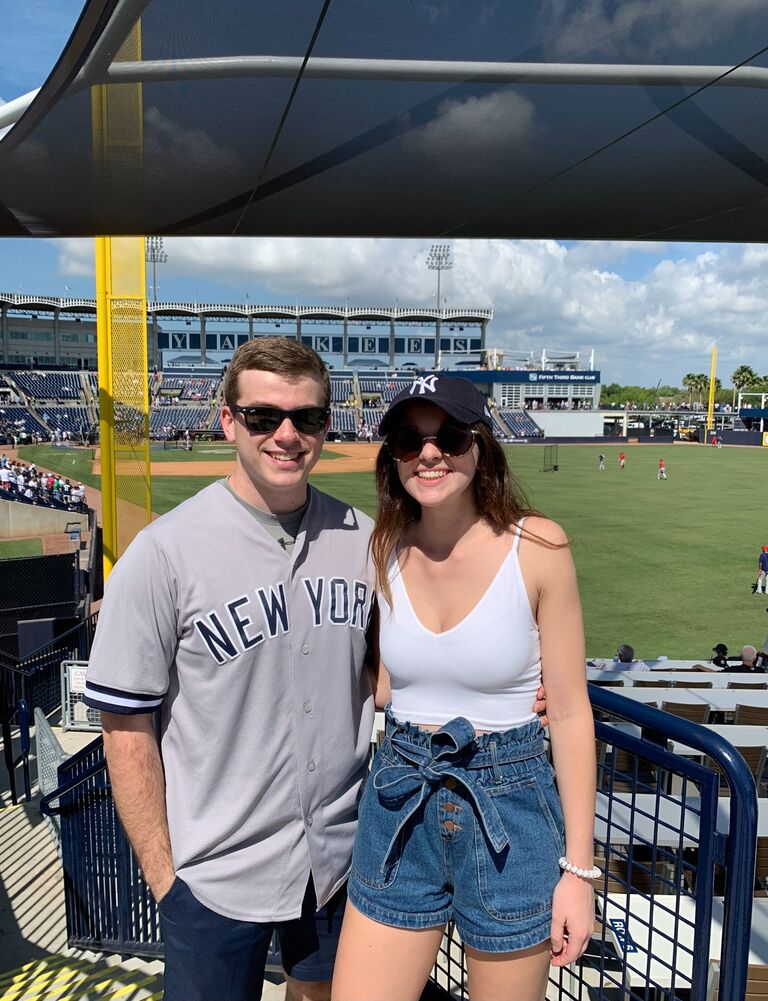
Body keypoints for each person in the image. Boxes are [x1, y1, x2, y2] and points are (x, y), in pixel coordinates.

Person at [82, 342, 547, 1001]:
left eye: (307, 418)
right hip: (214, 874)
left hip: (337, 858)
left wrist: (524, 686)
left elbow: (397, 672)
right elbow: (124, 725)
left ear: (328, 425)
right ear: (226, 420)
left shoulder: (367, 538)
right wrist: (166, 880)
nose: (287, 434)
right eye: (263, 415)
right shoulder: (162, 554)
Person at [332, 377, 596, 1001]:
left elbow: (571, 711)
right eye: (407, 440)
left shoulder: (539, 547)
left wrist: (578, 872)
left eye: (449, 436)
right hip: (399, 797)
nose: (428, 454)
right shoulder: (383, 550)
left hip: (511, 806)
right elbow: (388, 680)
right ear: (391, 457)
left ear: (481, 448)